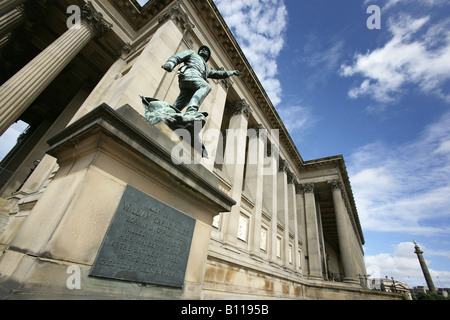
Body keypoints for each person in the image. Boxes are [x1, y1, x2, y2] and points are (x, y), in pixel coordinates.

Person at [161, 45, 241, 114]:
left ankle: (165, 116)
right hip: (189, 74)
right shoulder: (192, 53)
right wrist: (170, 63)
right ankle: (192, 110)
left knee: (179, 105)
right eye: (202, 49)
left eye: (206, 50)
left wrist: (232, 72)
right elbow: (178, 57)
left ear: (208, 56)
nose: (204, 50)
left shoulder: (206, 69)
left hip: (193, 84)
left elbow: (218, 74)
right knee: (206, 86)